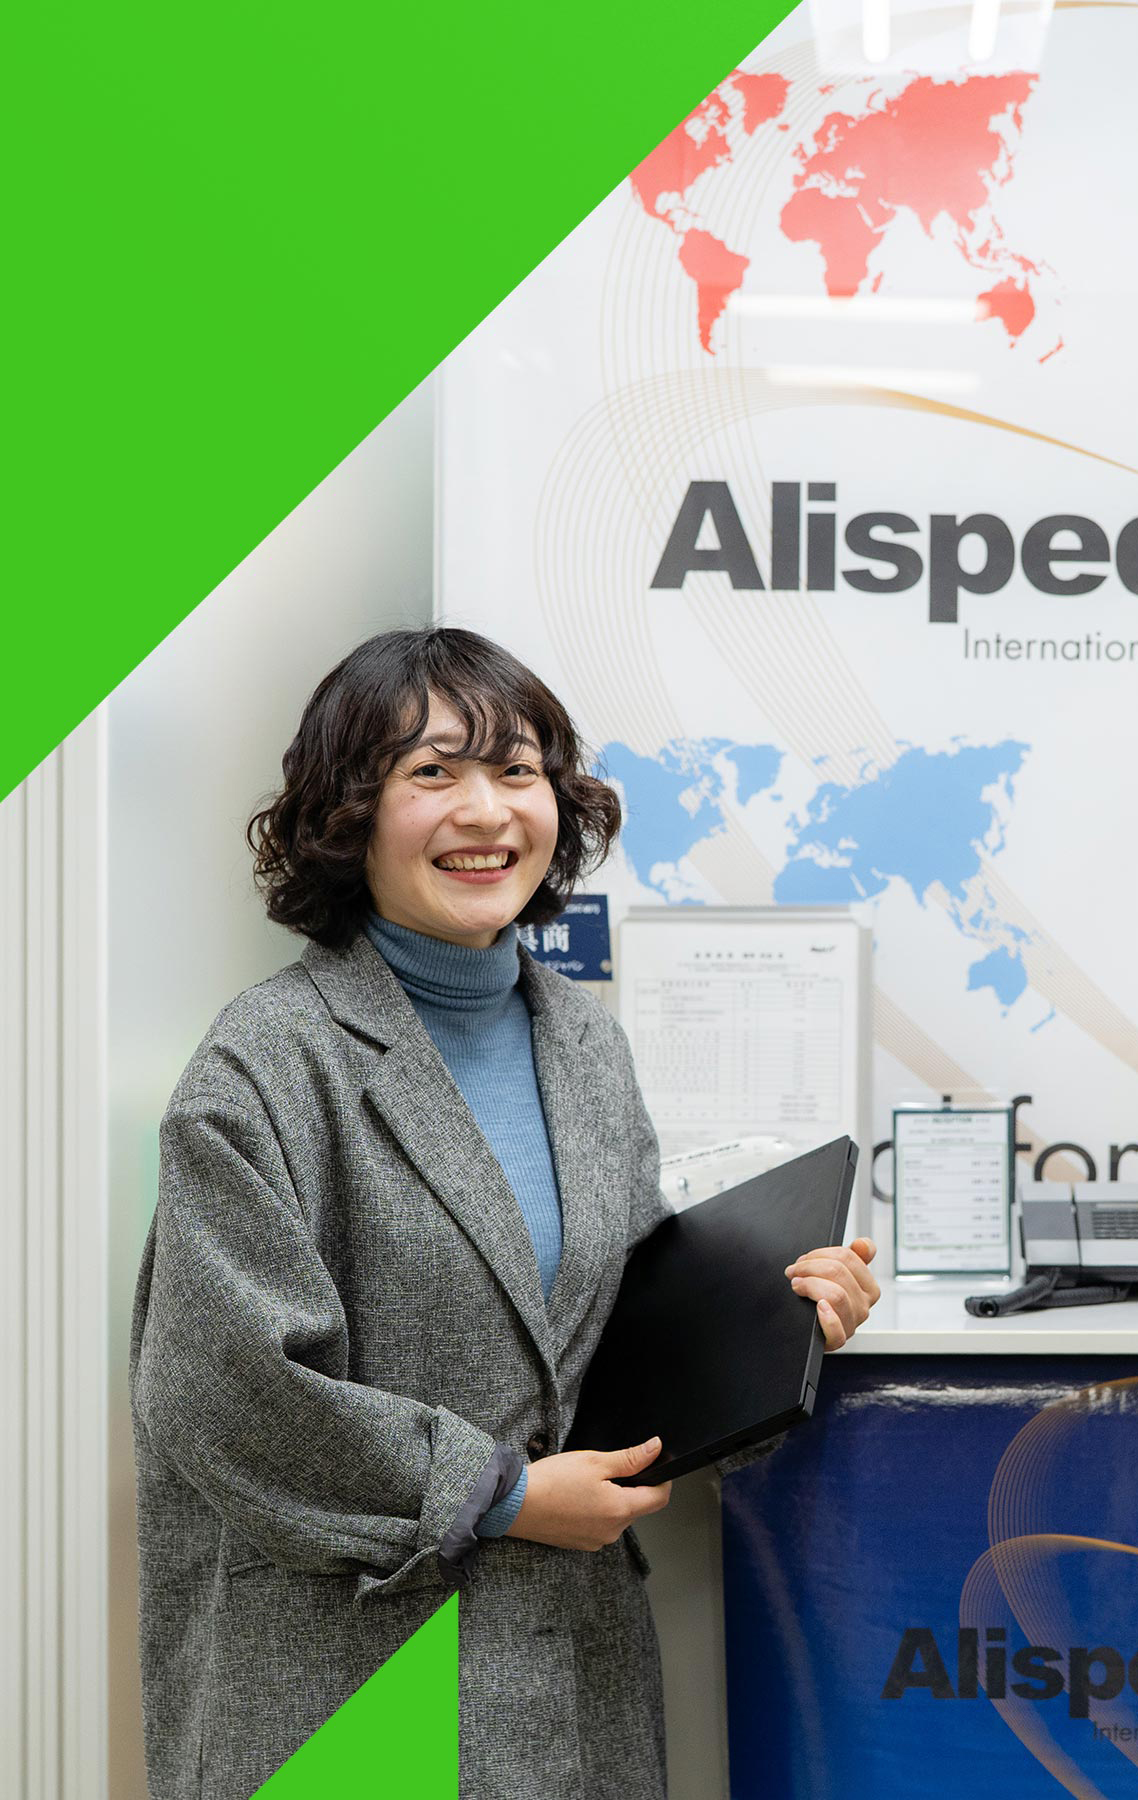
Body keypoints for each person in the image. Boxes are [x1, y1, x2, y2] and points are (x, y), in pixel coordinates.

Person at [129, 626, 882, 1798]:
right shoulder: (265, 1061)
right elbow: (224, 1394)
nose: (485, 812)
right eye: (432, 772)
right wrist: (504, 1495)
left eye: (516, 770)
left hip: (570, 1679)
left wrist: (780, 1324)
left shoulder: (581, 1040)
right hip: (353, 1687)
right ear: (347, 813)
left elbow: (616, 1346)